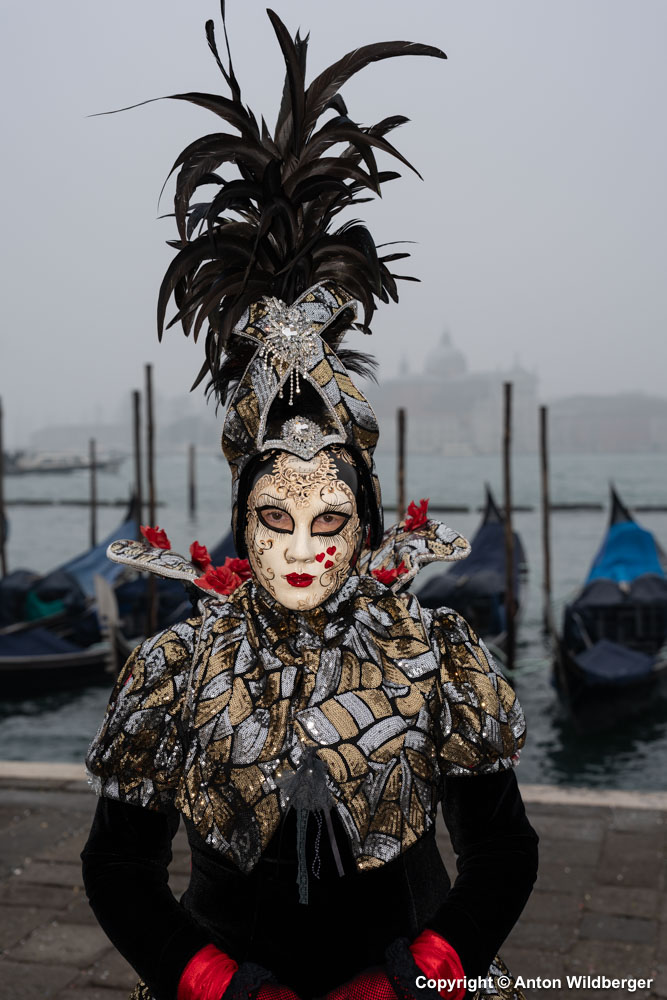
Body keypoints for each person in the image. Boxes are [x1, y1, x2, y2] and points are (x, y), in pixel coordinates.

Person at [81, 9, 538, 1000]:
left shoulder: (437, 654)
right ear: (240, 519)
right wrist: (211, 980)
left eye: (328, 520)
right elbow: (117, 865)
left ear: (365, 524)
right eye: (275, 519)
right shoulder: (176, 666)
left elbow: (503, 854)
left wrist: (421, 971)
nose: (300, 549)